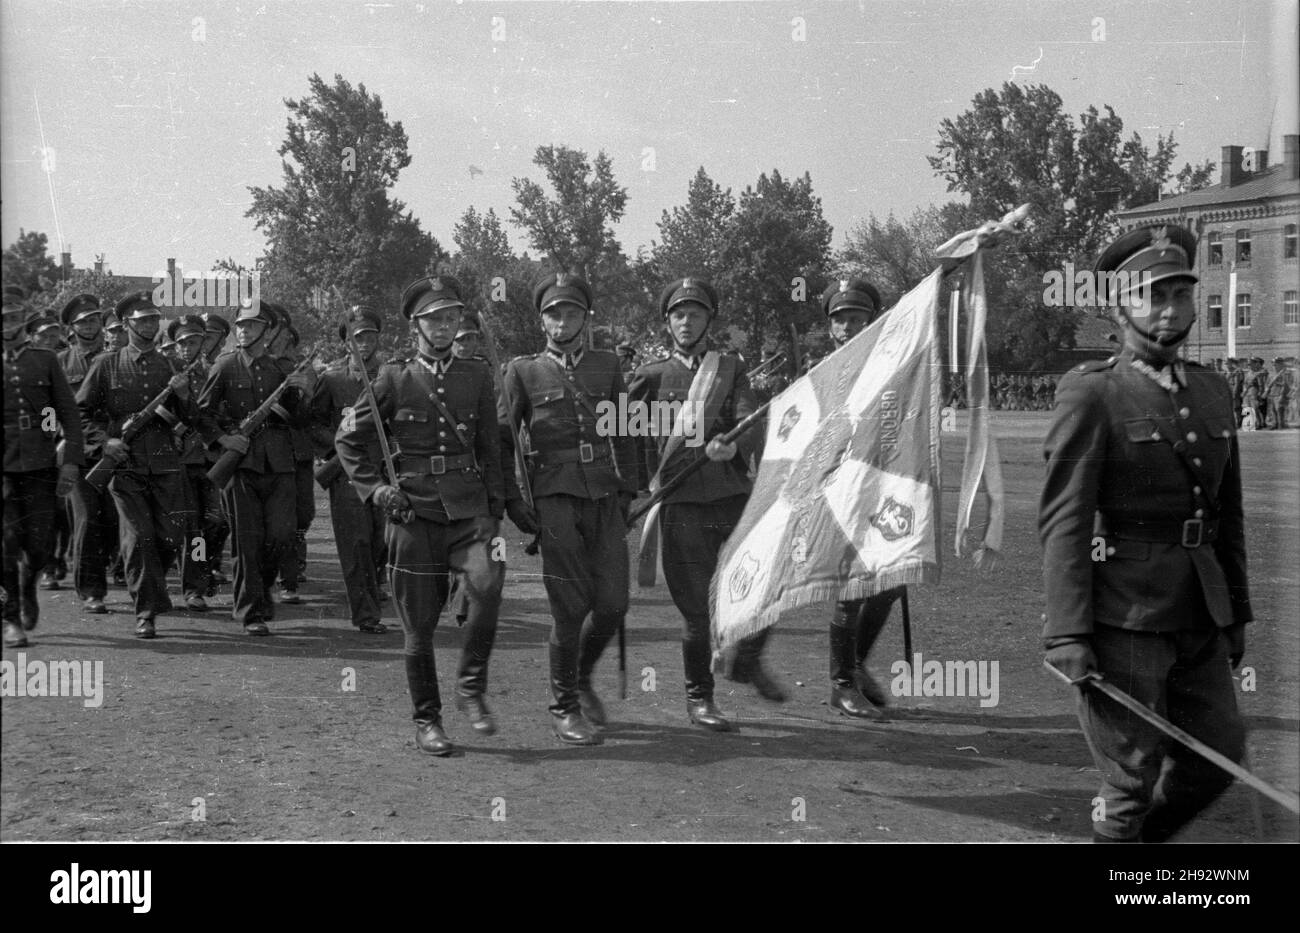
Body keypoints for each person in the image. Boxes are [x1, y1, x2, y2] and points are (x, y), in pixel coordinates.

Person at [1040, 224, 1251, 843]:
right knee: (1129, 783)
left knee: (1219, 758)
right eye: (1150, 295)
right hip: (1123, 616)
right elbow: (1065, 520)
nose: (1168, 310)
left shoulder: (1215, 392)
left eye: (1179, 295)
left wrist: (1235, 612)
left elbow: (1227, 516)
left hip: (1200, 612)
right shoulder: (1093, 393)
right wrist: (1066, 632)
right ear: (1120, 306)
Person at [336, 275, 515, 755]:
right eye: (434, 319)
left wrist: (495, 510)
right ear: (415, 324)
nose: (443, 326)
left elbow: (490, 449)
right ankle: (428, 720)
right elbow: (349, 439)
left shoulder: (477, 374)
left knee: (487, 591)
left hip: (469, 507)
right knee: (419, 627)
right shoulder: (394, 378)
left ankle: (471, 687)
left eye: (451, 318)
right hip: (413, 511)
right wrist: (375, 492)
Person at [501, 272, 637, 746]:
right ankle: (565, 707)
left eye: (572, 313)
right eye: (554, 313)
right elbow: (505, 441)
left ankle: (580, 677)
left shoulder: (607, 364)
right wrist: (514, 502)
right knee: (569, 607)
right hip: (554, 497)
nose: (562, 321)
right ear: (542, 320)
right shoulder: (523, 370)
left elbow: (626, 430)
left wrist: (631, 490)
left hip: (603, 493)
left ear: (585, 318)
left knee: (614, 602)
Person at [627, 276, 767, 731]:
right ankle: (699, 699)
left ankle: (745, 661)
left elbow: (749, 417)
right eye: (678, 314)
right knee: (695, 610)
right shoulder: (650, 375)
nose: (686, 322)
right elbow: (627, 436)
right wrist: (643, 487)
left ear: (710, 319)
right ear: (667, 321)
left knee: (757, 588)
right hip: (680, 504)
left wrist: (736, 442)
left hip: (730, 498)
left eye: (696, 313)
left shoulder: (730, 367)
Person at [808, 278, 903, 718]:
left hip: (881, 489)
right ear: (831, 328)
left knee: (890, 582)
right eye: (841, 319)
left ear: (871, 322)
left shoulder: (891, 368)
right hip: (839, 490)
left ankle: (856, 665)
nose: (848, 326)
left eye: (857, 318)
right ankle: (842, 684)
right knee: (850, 588)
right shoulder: (820, 373)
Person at [76, 292, 196, 638]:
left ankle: (150, 595)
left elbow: (192, 419)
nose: (149, 325)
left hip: (164, 463)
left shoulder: (170, 366)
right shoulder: (106, 364)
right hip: (124, 465)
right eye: (142, 320)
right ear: (126, 324)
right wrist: (104, 442)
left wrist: (185, 395)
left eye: (153, 319)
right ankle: (145, 611)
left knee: (169, 537)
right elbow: (80, 413)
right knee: (138, 537)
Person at [195, 299, 313, 635]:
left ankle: (260, 596)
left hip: (279, 462)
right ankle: (250, 612)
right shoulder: (224, 365)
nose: (244, 331)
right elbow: (202, 414)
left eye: (252, 325)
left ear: (267, 330)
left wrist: (303, 393)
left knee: (281, 536)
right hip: (241, 464)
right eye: (241, 325)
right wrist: (223, 439)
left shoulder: (280, 370)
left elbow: (299, 420)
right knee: (247, 541)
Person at [3, 295, 85, 647]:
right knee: (5, 543)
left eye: (14, 316)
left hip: (39, 462)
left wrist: (70, 461)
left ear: (24, 319)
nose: (8, 322)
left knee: (39, 546)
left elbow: (69, 413)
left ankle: (27, 586)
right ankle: (11, 619)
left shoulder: (45, 359)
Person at [309, 305, 390, 634]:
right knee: (355, 545)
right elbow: (313, 423)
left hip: (385, 469)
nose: (365, 342)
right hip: (347, 474)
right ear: (346, 342)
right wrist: (338, 447)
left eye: (370, 336)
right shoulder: (331, 379)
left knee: (382, 542)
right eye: (358, 337)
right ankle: (366, 615)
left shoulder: (391, 375)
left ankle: (374, 591)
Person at [57, 294, 118, 614]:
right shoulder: (61, 362)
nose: (90, 325)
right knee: (85, 521)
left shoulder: (115, 359)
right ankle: (92, 591)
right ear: (72, 327)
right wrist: (55, 436)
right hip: (77, 453)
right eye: (83, 321)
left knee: (111, 518)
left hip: (112, 452)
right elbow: (46, 410)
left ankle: (99, 571)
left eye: (94, 320)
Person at [169, 314, 219, 611]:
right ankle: (194, 587)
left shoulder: (215, 372)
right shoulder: (169, 374)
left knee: (216, 523)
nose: (188, 347)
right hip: (182, 460)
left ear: (204, 343)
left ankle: (204, 572)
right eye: (183, 342)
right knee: (191, 528)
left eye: (194, 341)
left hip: (211, 458)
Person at [1264, 357, 1289, 429]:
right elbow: (1267, 383)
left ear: (1281, 364)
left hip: (1279, 394)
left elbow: (1285, 386)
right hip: (1272, 393)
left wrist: (1282, 395)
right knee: (1272, 410)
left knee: (1279, 410)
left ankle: (1281, 425)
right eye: (1273, 364)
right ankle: (1274, 424)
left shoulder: (1285, 374)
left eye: (1276, 364)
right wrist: (1266, 390)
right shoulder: (1271, 374)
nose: (1274, 366)